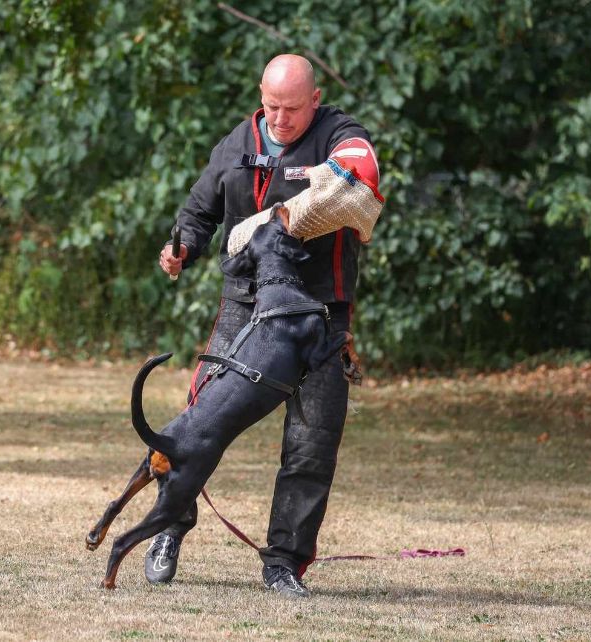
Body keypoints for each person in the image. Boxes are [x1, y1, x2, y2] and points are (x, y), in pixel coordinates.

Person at [151, 53, 375, 598]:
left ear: (315, 101)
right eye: (272, 106)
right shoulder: (235, 144)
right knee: (197, 425)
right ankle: (166, 529)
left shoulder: (337, 133)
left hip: (320, 313)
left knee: (311, 442)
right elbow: (199, 212)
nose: (280, 119)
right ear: (260, 96)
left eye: (293, 109)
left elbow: (360, 169)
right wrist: (181, 247)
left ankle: (284, 564)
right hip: (246, 306)